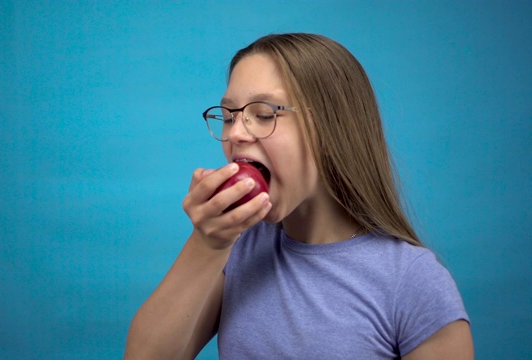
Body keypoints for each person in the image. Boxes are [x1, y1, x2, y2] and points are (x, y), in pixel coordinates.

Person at [124, 33, 473, 359]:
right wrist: (207, 243)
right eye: (230, 116)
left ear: (333, 129)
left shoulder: (412, 280)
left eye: (262, 114)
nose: (237, 133)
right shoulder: (238, 247)